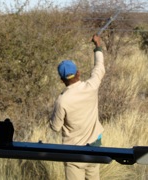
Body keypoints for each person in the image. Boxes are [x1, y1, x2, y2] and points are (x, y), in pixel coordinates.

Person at [50, 34, 105, 180]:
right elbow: (99, 67)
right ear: (78, 73)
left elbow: (55, 127)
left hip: (73, 151)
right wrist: (97, 46)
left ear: (61, 80)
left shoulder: (62, 101)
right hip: (95, 145)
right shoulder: (91, 86)